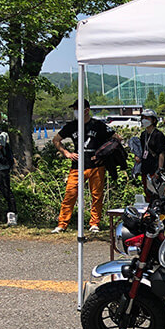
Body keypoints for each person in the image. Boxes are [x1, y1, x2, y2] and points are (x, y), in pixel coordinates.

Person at [52, 99, 116, 234]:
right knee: (70, 195)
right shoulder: (71, 126)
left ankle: (94, 223)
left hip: (96, 166)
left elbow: (116, 138)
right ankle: (62, 224)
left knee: (97, 196)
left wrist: (103, 154)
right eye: (74, 109)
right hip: (77, 166)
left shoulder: (98, 125)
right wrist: (66, 153)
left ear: (86, 110)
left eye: (77, 108)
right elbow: (56, 140)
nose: (75, 111)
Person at [135, 108, 165, 201]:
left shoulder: (159, 135)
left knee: (157, 193)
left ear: (154, 120)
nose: (144, 120)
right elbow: (142, 150)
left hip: (155, 168)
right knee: (147, 193)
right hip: (145, 167)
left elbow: (161, 153)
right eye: (143, 117)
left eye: (147, 118)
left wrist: (159, 169)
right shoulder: (143, 134)